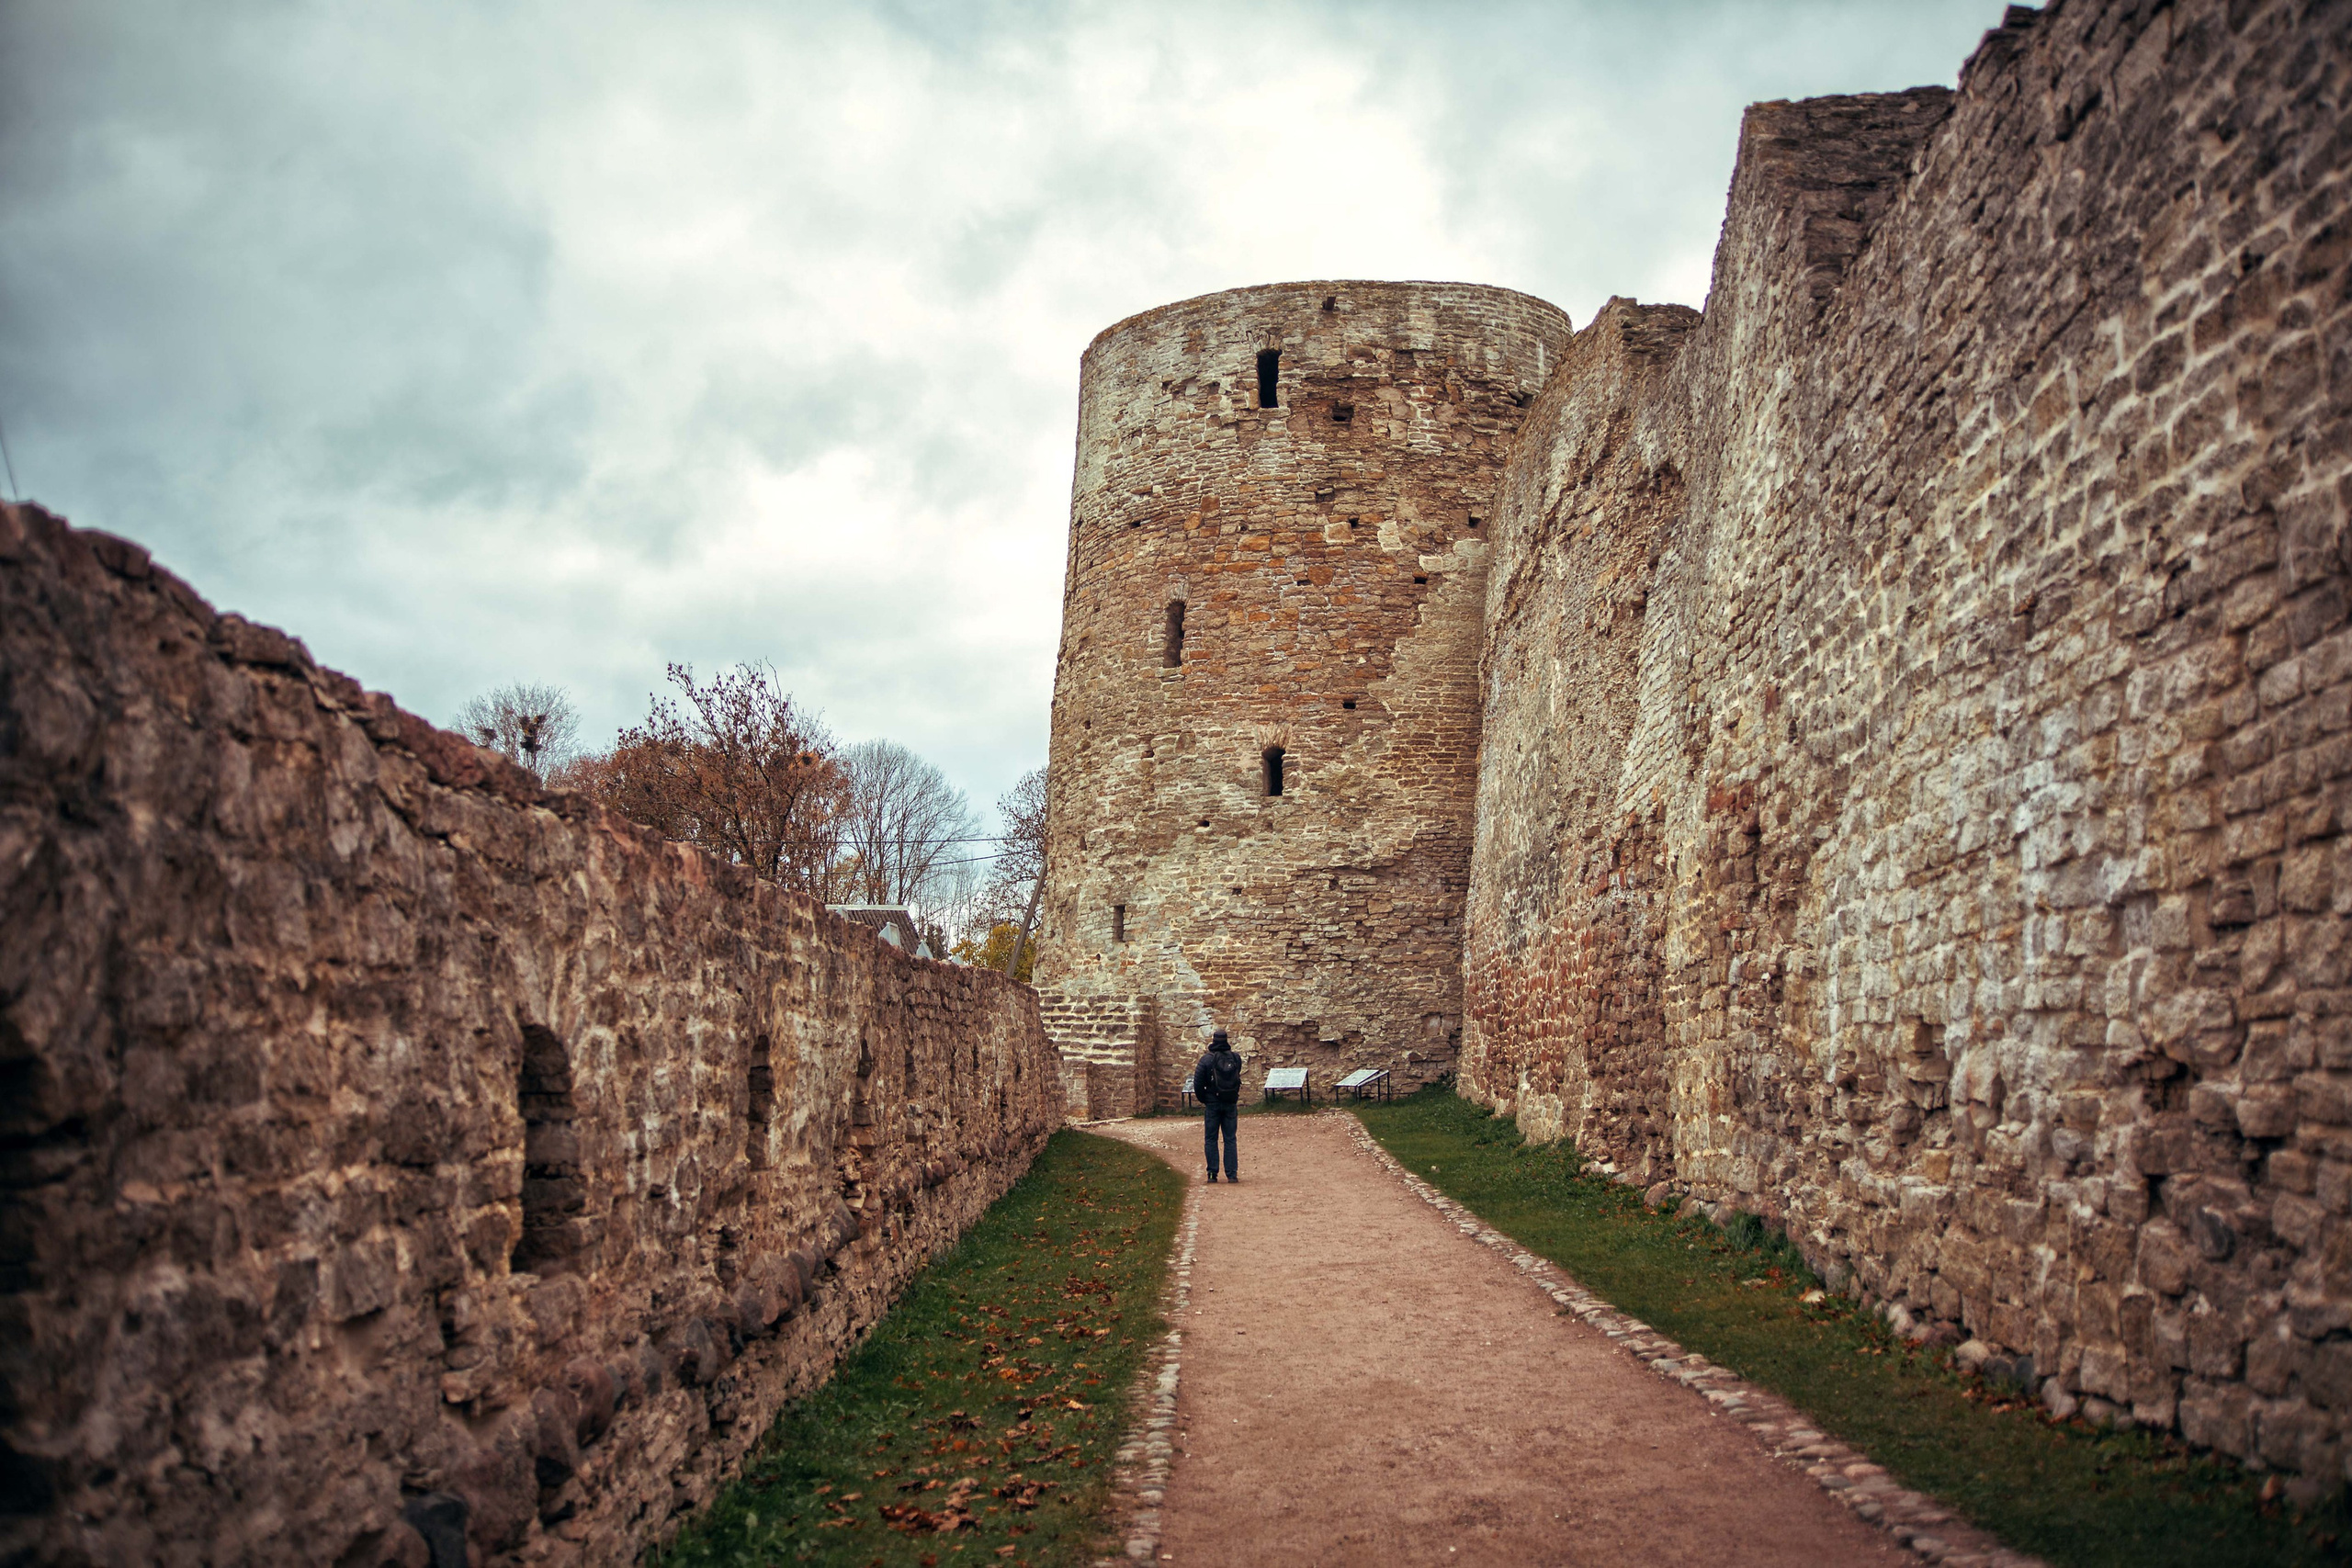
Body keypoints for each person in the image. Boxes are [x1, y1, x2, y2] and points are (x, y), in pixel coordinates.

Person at [1194, 1030, 1243, 1182]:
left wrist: (1206, 1099)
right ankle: (1232, 1174)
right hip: (1230, 1102)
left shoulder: (1206, 1060)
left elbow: (1198, 1084)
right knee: (1230, 1138)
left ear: (1213, 1041)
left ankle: (1212, 1174)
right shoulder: (1235, 1058)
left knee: (1210, 1138)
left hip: (1212, 1103)